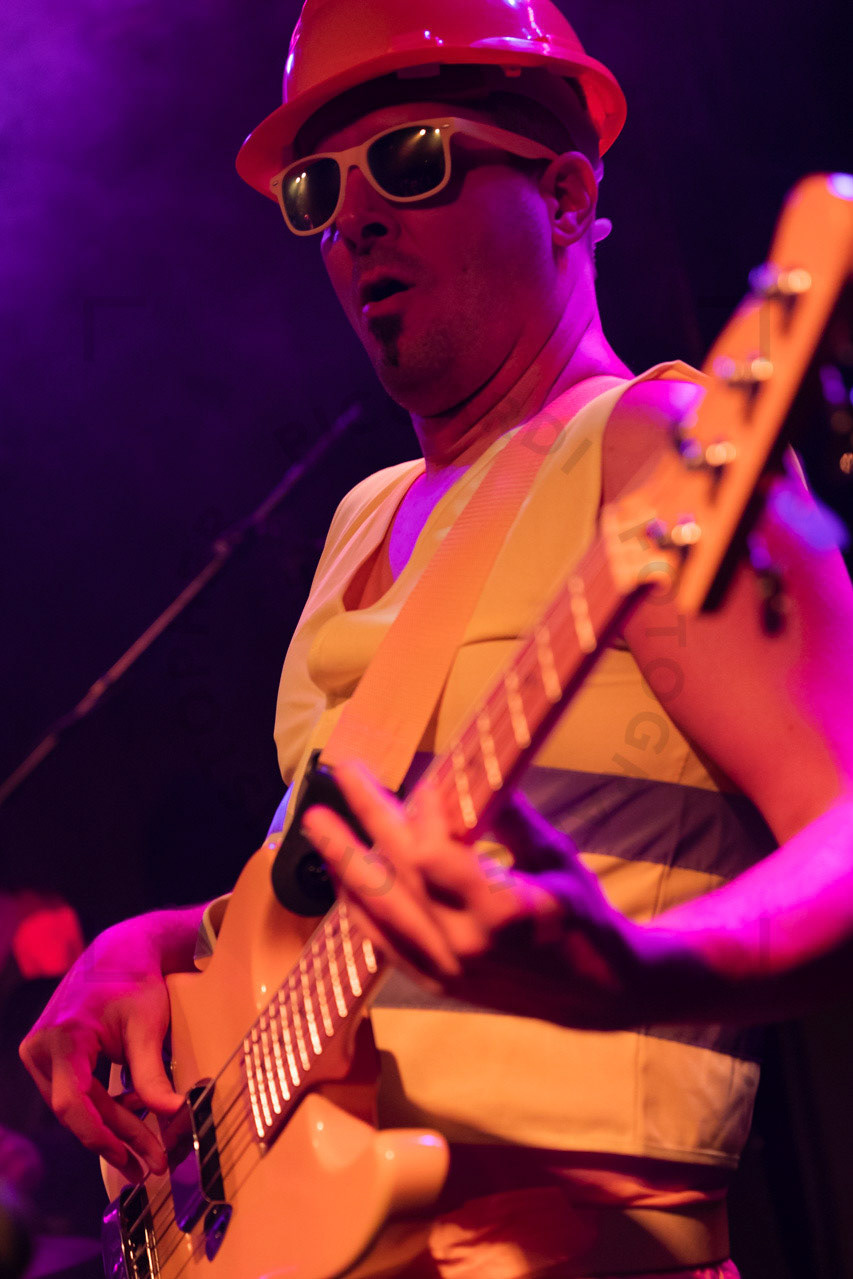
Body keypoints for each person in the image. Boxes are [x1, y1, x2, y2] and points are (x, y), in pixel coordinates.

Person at [19, 0, 853, 1276]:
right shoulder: (362, 519)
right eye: (317, 189)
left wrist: (634, 967)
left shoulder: (659, 454)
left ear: (565, 195)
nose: (354, 218)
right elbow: (315, 907)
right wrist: (167, 941)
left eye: (410, 160)